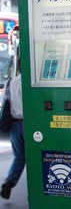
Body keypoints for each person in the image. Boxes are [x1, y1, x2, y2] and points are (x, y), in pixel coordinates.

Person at [1, 65, 24, 200]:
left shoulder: (9, 83)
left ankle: (9, 181)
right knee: (35, 157)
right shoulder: (27, 83)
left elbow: (4, 102)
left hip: (14, 125)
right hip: (29, 124)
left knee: (19, 157)